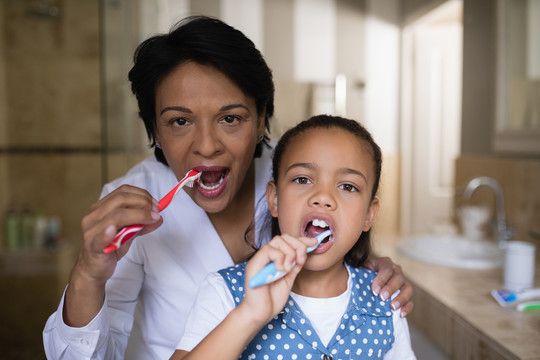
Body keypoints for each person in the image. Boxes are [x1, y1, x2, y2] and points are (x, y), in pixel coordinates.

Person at [43, 16, 413, 359]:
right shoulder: (128, 205)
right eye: (179, 121)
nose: (206, 145)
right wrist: (88, 273)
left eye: (230, 118)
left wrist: (371, 273)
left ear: (261, 118)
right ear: (154, 130)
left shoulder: (298, 175)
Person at [172, 115, 416, 360]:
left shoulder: (386, 302)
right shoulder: (224, 292)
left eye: (348, 186)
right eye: (302, 179)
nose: (323, 197)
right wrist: (249, 315)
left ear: (368, 215)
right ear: (274, 199)